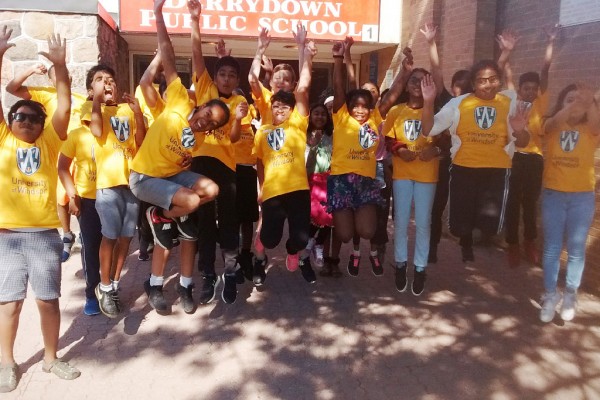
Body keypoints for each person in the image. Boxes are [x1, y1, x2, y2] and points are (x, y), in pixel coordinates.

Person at [130, 0, 231, 314]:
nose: (205, 122)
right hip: (146, 178)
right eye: (206, 114)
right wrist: (160, 15)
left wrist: (185, 165)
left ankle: (186, 285)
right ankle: (157, 275)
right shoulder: (176, 98)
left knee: (207, 196)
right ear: (200, 105)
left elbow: (185, 157)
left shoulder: (201, 135)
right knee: (186, 205)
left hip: (173, 180)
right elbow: (169, 52)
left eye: (212, 123)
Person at [0, 29, 80, 393]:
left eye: (34, 117)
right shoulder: (3, 138)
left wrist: (61, 68)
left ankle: (51, 358)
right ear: (11, 119)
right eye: (21, 116)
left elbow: (63, 105)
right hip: (6, 236)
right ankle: (7, 363)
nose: (28, 121)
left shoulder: (50, 141)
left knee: (48, 301)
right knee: (10, 304)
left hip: (44, 235)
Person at [421, 60, 530, 264]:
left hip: (497, 171)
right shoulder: (459, 103)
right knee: (458, 228)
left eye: (492, 79)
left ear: (499, 81)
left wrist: (519, 129)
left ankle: (478, 226)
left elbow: (523, 142)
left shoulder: (510, 103)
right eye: (481, 81)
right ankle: (465, 237)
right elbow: (428, 129)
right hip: (464, 169)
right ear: (473, 83)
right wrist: (428, 101)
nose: (487, 85)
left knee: (490, 227)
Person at [188, 0, 248, 305]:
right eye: (221, 74)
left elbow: (236, 138)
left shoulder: (240, 102)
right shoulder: (205, 90)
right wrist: (195, 19)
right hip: (199, 164)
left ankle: (230, 269)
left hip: (227, 168)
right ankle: (207, 274)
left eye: (231, 76)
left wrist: (236, 119)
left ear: (237, 81)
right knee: (204, 219)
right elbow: (197, 55)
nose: (225, 79)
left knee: (227, 218)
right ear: (216, 76)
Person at [6, 60, 87, 263]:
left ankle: (85, 235)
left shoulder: (81, 98)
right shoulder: (43, 94)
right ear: (51, 80)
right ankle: (67, 234)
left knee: (81, 197)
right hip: (55, 151)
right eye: (57, 76)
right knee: (62, 196)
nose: (62, 78)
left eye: (64, 75)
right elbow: (11, 88)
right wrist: (31, 70)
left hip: (82, 154)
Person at [253, 38, 317, 284]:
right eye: (276, 106)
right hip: (273, 192)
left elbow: (302, 89)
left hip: (298, 189)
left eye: (284, 107)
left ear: (292, 110)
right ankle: (261, 250)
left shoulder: (298, 123)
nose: (279, 109)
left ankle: (294, 253)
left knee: (300, 239)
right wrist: (261, 187)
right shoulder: (264, 128)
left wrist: (305, 52)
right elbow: (259, 161)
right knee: (269, 239)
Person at [86, 63, 146, 318]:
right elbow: (97, 130)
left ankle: (114, 283)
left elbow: (140, 142)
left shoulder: (126, 110)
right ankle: (105, 285)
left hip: (130, 183)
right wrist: (98, 101)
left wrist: (139, 113)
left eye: (109, 79)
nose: (106, 83)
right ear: (91, 89)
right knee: (109, 236)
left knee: (126, 237)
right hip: (108, 185)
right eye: (100, 80)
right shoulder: (89, 109)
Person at [497, 26, 559, 268]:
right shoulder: (512, 103)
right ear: (521, 90)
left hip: (533, 159)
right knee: (512, 201)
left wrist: (550, 43)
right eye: (527, 88)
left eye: (534, 89)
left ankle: (529, 242)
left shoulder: (540, 104)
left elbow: (545, 70)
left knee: (530, 202)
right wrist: (507, 53)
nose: (531, 91)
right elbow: (507, 77)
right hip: (513, 158)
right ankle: (512, 244)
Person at [538, 83, 600, 323]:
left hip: (581, 197)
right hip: (554, 194)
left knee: (576, 250)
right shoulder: (553, 125)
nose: (575, 104)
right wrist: (575, 103)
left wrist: (591, 104)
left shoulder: (591, 129)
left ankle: (571, 294)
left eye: (579, 101)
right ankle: (550, 294)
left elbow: (596, 124)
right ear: (562, 103)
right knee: (552, 248)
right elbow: (551, 123)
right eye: (568, 99)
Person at [384, 66, 441, 295]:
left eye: (423, 80)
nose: (417, 84)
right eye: (413, 80)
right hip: (403, 173)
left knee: (423, 223)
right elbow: (387, 139)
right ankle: (400, 263)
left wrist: (435, 149)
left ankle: (419, 267)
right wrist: (398, 150)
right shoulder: (396, 111)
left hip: (427, 174)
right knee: (401, 220)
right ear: (406, 85)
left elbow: (445, 141)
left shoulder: (436, 111)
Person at [328, 41, 382, 276]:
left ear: (371, 108)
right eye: (355, 106)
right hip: (341, 180)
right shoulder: (341, 117)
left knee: (367, 231)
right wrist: (339, 58)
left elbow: (392, 95)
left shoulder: (375, 119)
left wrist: (406, 71)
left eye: (365, 106)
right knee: (345, 234)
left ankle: (361, 252)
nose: (360, 110)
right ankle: (349, 233)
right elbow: (341, 87)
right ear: (348, 107)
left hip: (366, 180)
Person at [58, 119, 101, 316]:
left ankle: (108, 288)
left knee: (114, 244)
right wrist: (73, 197)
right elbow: (63, 167)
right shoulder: (76, 134)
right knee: (91, 246)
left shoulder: (117, 125)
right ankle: (91, 293)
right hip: (88, 200)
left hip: (115, 195)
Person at [302, 103, 341, 277]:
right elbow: (304, 162)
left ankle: (316, 243)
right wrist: (312, 144)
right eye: (316, 113)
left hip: (330, 180)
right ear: (310, 116)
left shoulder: (332, 136)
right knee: (314, 215)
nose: (319, 117)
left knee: (330, 215)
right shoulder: (304, 135)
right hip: (311, 180)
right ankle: (312, 242)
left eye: (323, 114)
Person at [232, 88, 260, 283]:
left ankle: (245, 254)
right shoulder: (226, 122)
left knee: (248, 219)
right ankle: (232, 259)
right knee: (232, 218)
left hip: (249, 172)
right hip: (231, 172)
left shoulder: (254, 124)